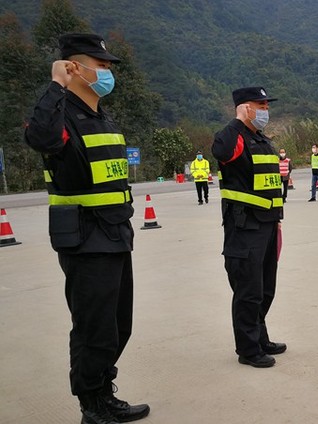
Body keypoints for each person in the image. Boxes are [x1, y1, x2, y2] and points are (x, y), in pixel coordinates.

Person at [24, 33, 150, 424]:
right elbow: (40, 136)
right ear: (74, 67)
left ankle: (103, 391)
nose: (108, 71)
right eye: (101, 64)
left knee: (117, 326)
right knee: (93, 328)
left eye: (109, 65)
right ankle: (91, 406)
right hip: (84, 239)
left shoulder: (101, 117)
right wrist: (55, 84)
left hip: (114, 234)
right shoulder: (62, 117)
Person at [212, 86, 286, 368]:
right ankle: (248, 349)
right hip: (244, 227)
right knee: (248, 290)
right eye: (260, 105)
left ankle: (260, 337)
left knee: (266, 288)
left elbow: (270, 184)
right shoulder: (234, 137)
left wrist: (278, 219)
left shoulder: (261, 140)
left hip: (267, 225)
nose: (265, 110)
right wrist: (237, 121)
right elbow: (220, 150)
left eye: (267, 105)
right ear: (245, 107)